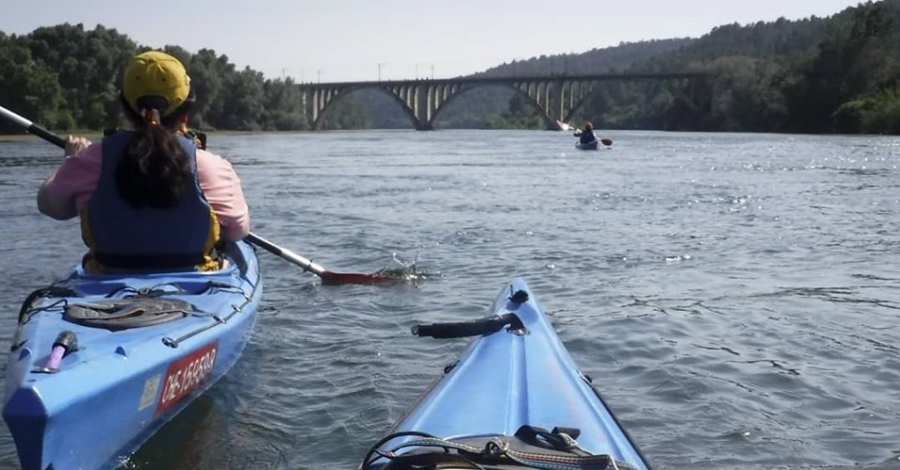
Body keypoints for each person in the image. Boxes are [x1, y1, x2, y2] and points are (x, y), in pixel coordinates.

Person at [37, 50, 250, 273]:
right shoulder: (213, 166)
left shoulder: (90, 160)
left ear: (127, 110)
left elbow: (51, 207)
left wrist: (71, 161)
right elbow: (238, 231)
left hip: (106, 283)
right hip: (196, 285)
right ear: (185, 115)